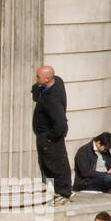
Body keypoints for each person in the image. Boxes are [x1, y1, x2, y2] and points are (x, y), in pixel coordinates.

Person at [32, 65, 72, 202]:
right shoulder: (57, 83)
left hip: (50, 137)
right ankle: (60, 191)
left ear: (48, 78)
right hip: (50, 136)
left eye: (38, 77)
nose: (36, 78)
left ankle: (63, 194)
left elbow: (61, 124)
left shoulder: (51, 100)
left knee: (55, 165)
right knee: (56, 163)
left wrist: (49, 137)